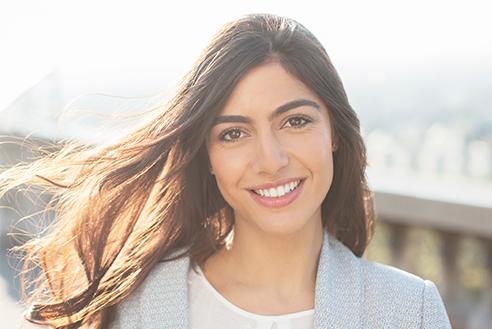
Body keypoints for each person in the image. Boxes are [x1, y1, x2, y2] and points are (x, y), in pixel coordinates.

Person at [0, 13, 451, 329]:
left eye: (295, 121)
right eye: (234, 134)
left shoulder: (411, 311)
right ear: (207, 157)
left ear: (334, 132)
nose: (271, 160)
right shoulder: (135, 307)